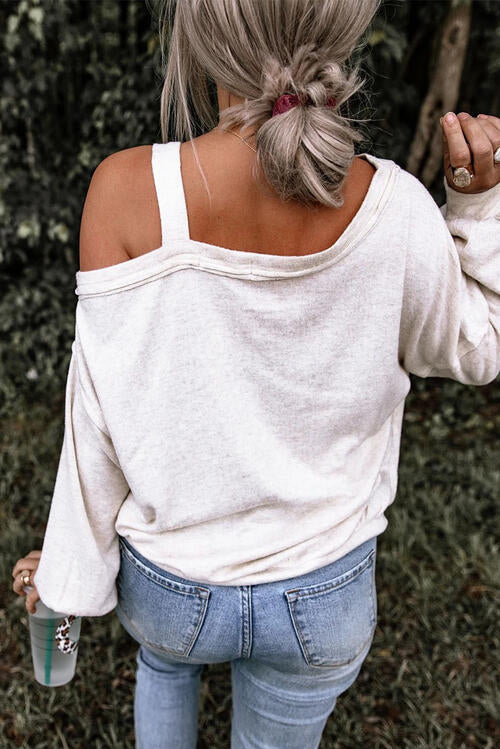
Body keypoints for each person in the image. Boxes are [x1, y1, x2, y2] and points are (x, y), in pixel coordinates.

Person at [12, 0, 500, 746]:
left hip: (172, 591)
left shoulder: (124, 191)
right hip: (324, 595)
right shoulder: (397, 206)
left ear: (203, 32)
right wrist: (478, 206)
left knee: (165, 663)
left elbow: (94, 418)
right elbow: (477, 347)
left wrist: (67, 580)